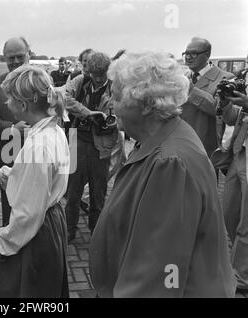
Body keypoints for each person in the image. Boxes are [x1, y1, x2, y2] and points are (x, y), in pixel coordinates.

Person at [89, 51, 236, 297]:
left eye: (114, 97)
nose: (109, 103)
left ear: (146, 105)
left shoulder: (170, 164)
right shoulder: (163, 137)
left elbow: (158, 275)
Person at [0, 65, 70, 298]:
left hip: (37, 233)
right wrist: (1, 174)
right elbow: (37, 183)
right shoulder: (53, 130)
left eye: (9, 100)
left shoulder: (37, 146)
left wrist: (3, 244)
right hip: (51, 220)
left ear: (23, 104)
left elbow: (28, 212)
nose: (7, 104)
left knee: (29, 292)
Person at [64, 52, 118, 242]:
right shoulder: (80, 80)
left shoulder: (115, 86)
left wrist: (112, 121)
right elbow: (65, 98)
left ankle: (96, 231)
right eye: (93, 73)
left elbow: (121, 110)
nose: (96, 78)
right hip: (77, 140)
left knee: (98, 192)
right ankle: (69, 230)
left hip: (101, 145)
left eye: (101, 74)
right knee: (73, 192)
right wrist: (87, 113)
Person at [0, 36, 31, 226]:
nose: (16, 61)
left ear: (28, 54)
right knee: (11, 208)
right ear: (4, 58)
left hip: (38, 155)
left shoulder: (42, 80)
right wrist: (12, 128)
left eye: (20, 56)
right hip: (9, 154)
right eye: (11, 57)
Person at [219, 69, 248, 295]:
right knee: (229, 212)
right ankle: (233, 265)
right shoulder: (244, 75)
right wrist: (226, 102)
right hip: (240, 152)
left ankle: (241, 275)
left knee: (245, 223)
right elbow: (231, 119)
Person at [181, 37, 234, 157]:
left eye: (193, 54)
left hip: (205, 149)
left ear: (207, 55)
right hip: (181, 142)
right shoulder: (184, 77)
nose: (188, 57)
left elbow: (221, 111)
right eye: (186, 53)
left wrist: (191, 90)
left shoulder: (225, 78)